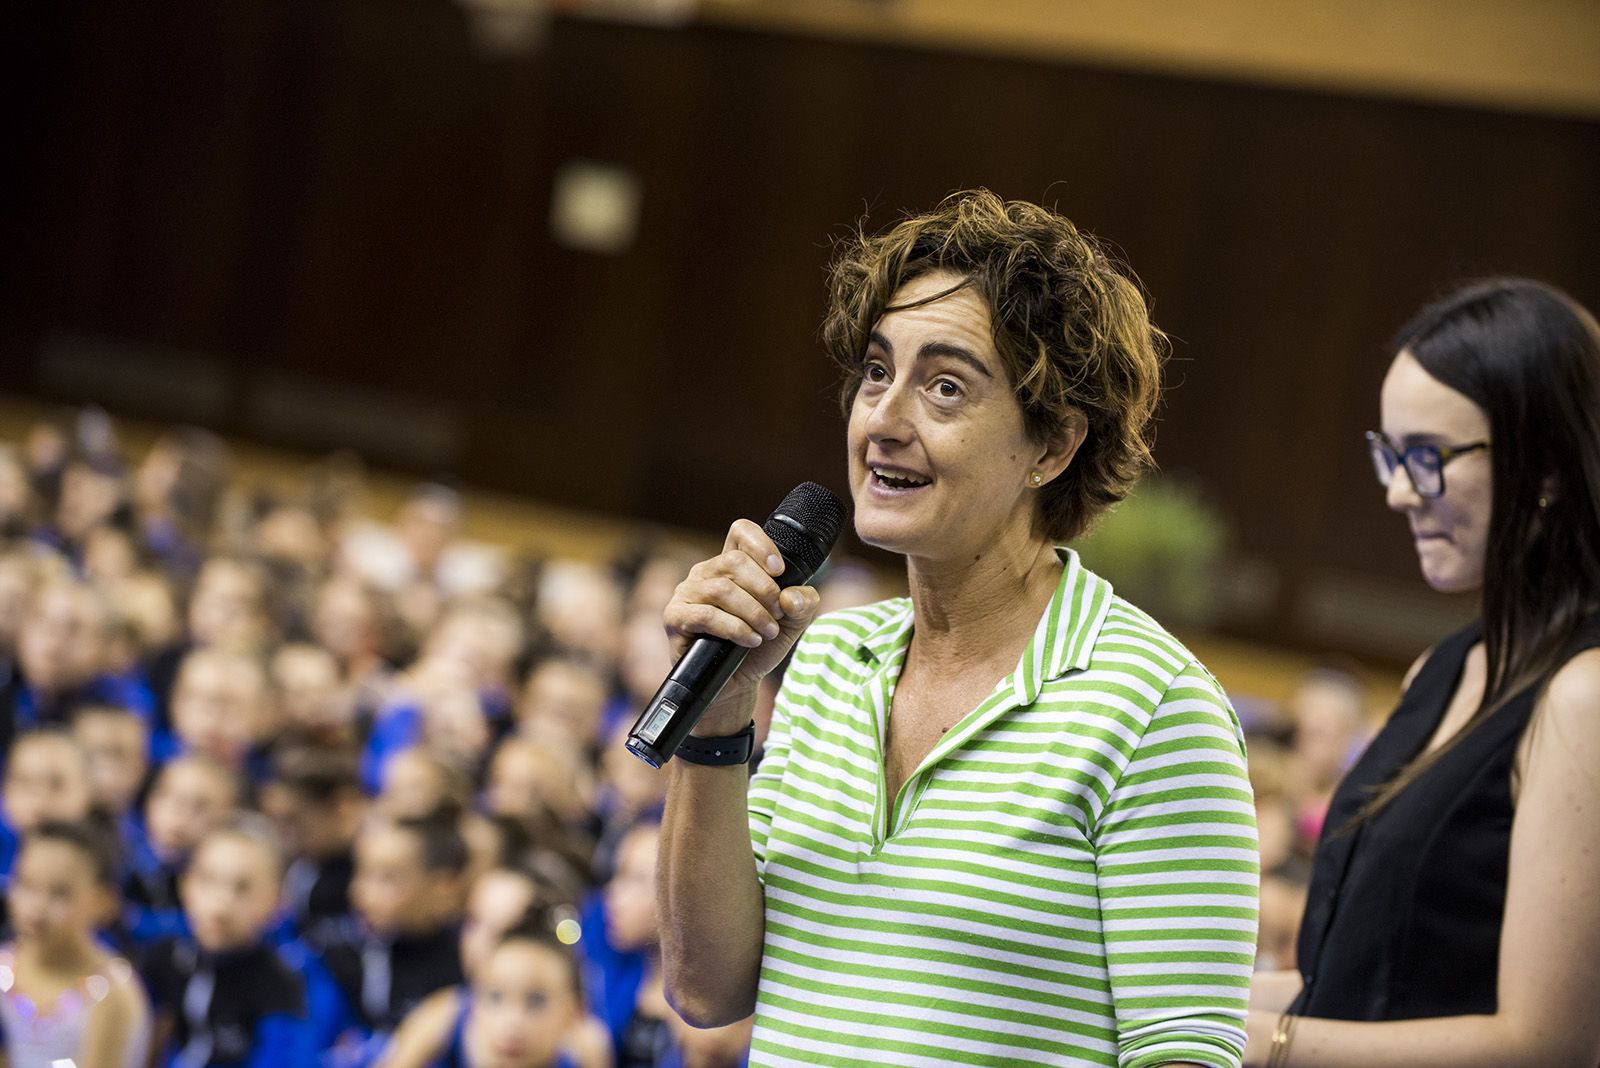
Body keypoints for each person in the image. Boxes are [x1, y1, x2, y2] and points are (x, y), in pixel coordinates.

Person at [656, 190, 1258, 1066]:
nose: (884, 421)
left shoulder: (1155, 711)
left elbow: (1186, 1054)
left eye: (944, 386)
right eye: (875, 372)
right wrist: (717, 718)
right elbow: (706, 989)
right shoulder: (827, 660)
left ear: (1051, 447)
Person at [1244, 279, 1600, 1066]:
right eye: (1389, 454)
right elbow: (1343, 986)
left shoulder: (1584, 696)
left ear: (1545, 469)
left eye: (1428, 458)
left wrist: (1258, 1043)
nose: (1399, 491)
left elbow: (1549, 1045)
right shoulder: (1439, 670)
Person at [142, 819, 316, 1065]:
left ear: (276, 900)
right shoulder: (162, 957)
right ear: (185, 883)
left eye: (242, 888)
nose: (221, 903)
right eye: (208, 879)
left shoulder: (280, 985)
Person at [1, 821, 150, 1068]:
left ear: (103, 902)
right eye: (26, 884)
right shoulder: (4, 969)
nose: (37, 908)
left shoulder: (112, 994)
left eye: (60, 893)